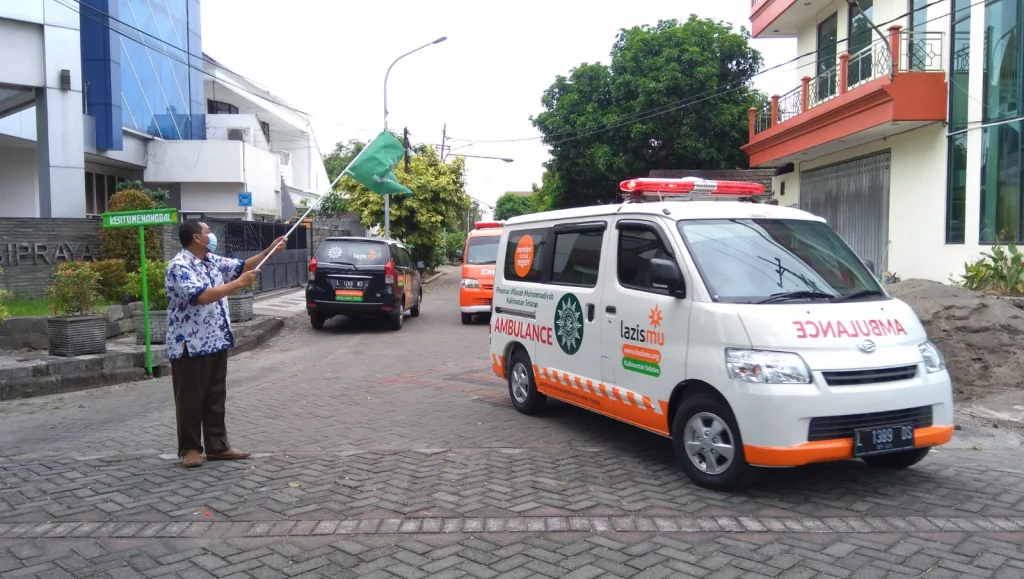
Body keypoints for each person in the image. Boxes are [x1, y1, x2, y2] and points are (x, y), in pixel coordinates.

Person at [165, 220, 287, 468]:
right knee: (190, 397)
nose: (211, 235)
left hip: (216, 340)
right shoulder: (180, 265)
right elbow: (201, 296)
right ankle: (190, 449)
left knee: (215, 395)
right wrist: (239, 283)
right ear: (196, 238)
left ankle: (217, 446)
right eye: (207, 232)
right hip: (189, 344)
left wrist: (270, 251)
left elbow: (241, 266)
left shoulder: (210, 259)